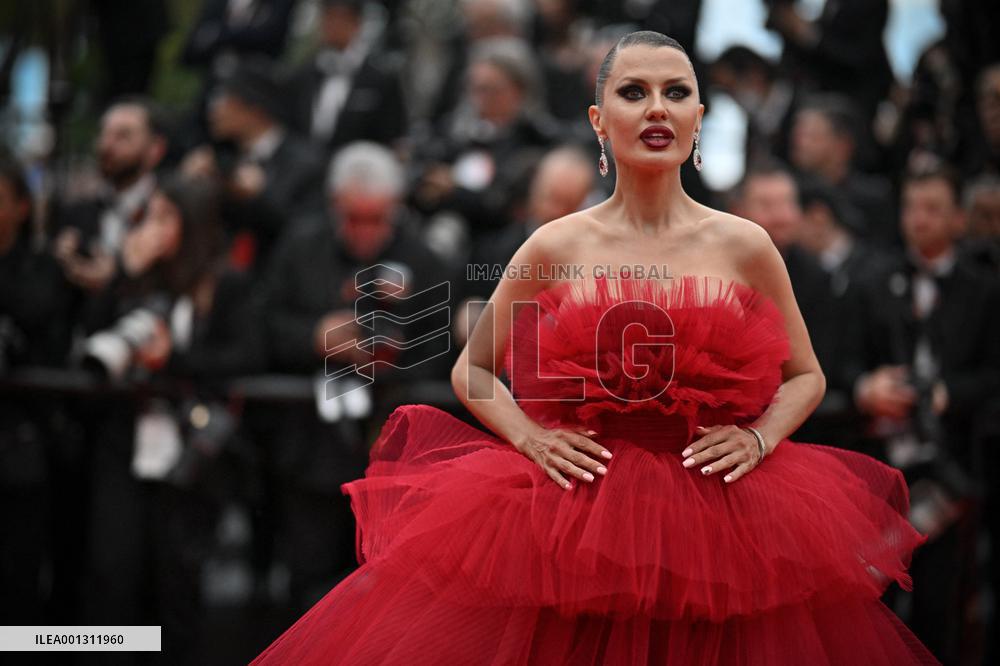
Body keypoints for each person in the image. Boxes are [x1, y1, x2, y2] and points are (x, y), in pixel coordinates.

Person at [252, 31, 938, 664]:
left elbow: (806, 376)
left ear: (699, 117)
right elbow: (475, 370)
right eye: (633, 92)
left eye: (676, 92)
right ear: (597, 119)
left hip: (722, 517)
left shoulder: (745, 245)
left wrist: (759, 440)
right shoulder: (557, 243)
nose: (655, 108)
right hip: (574, 519)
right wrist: (531, 439)